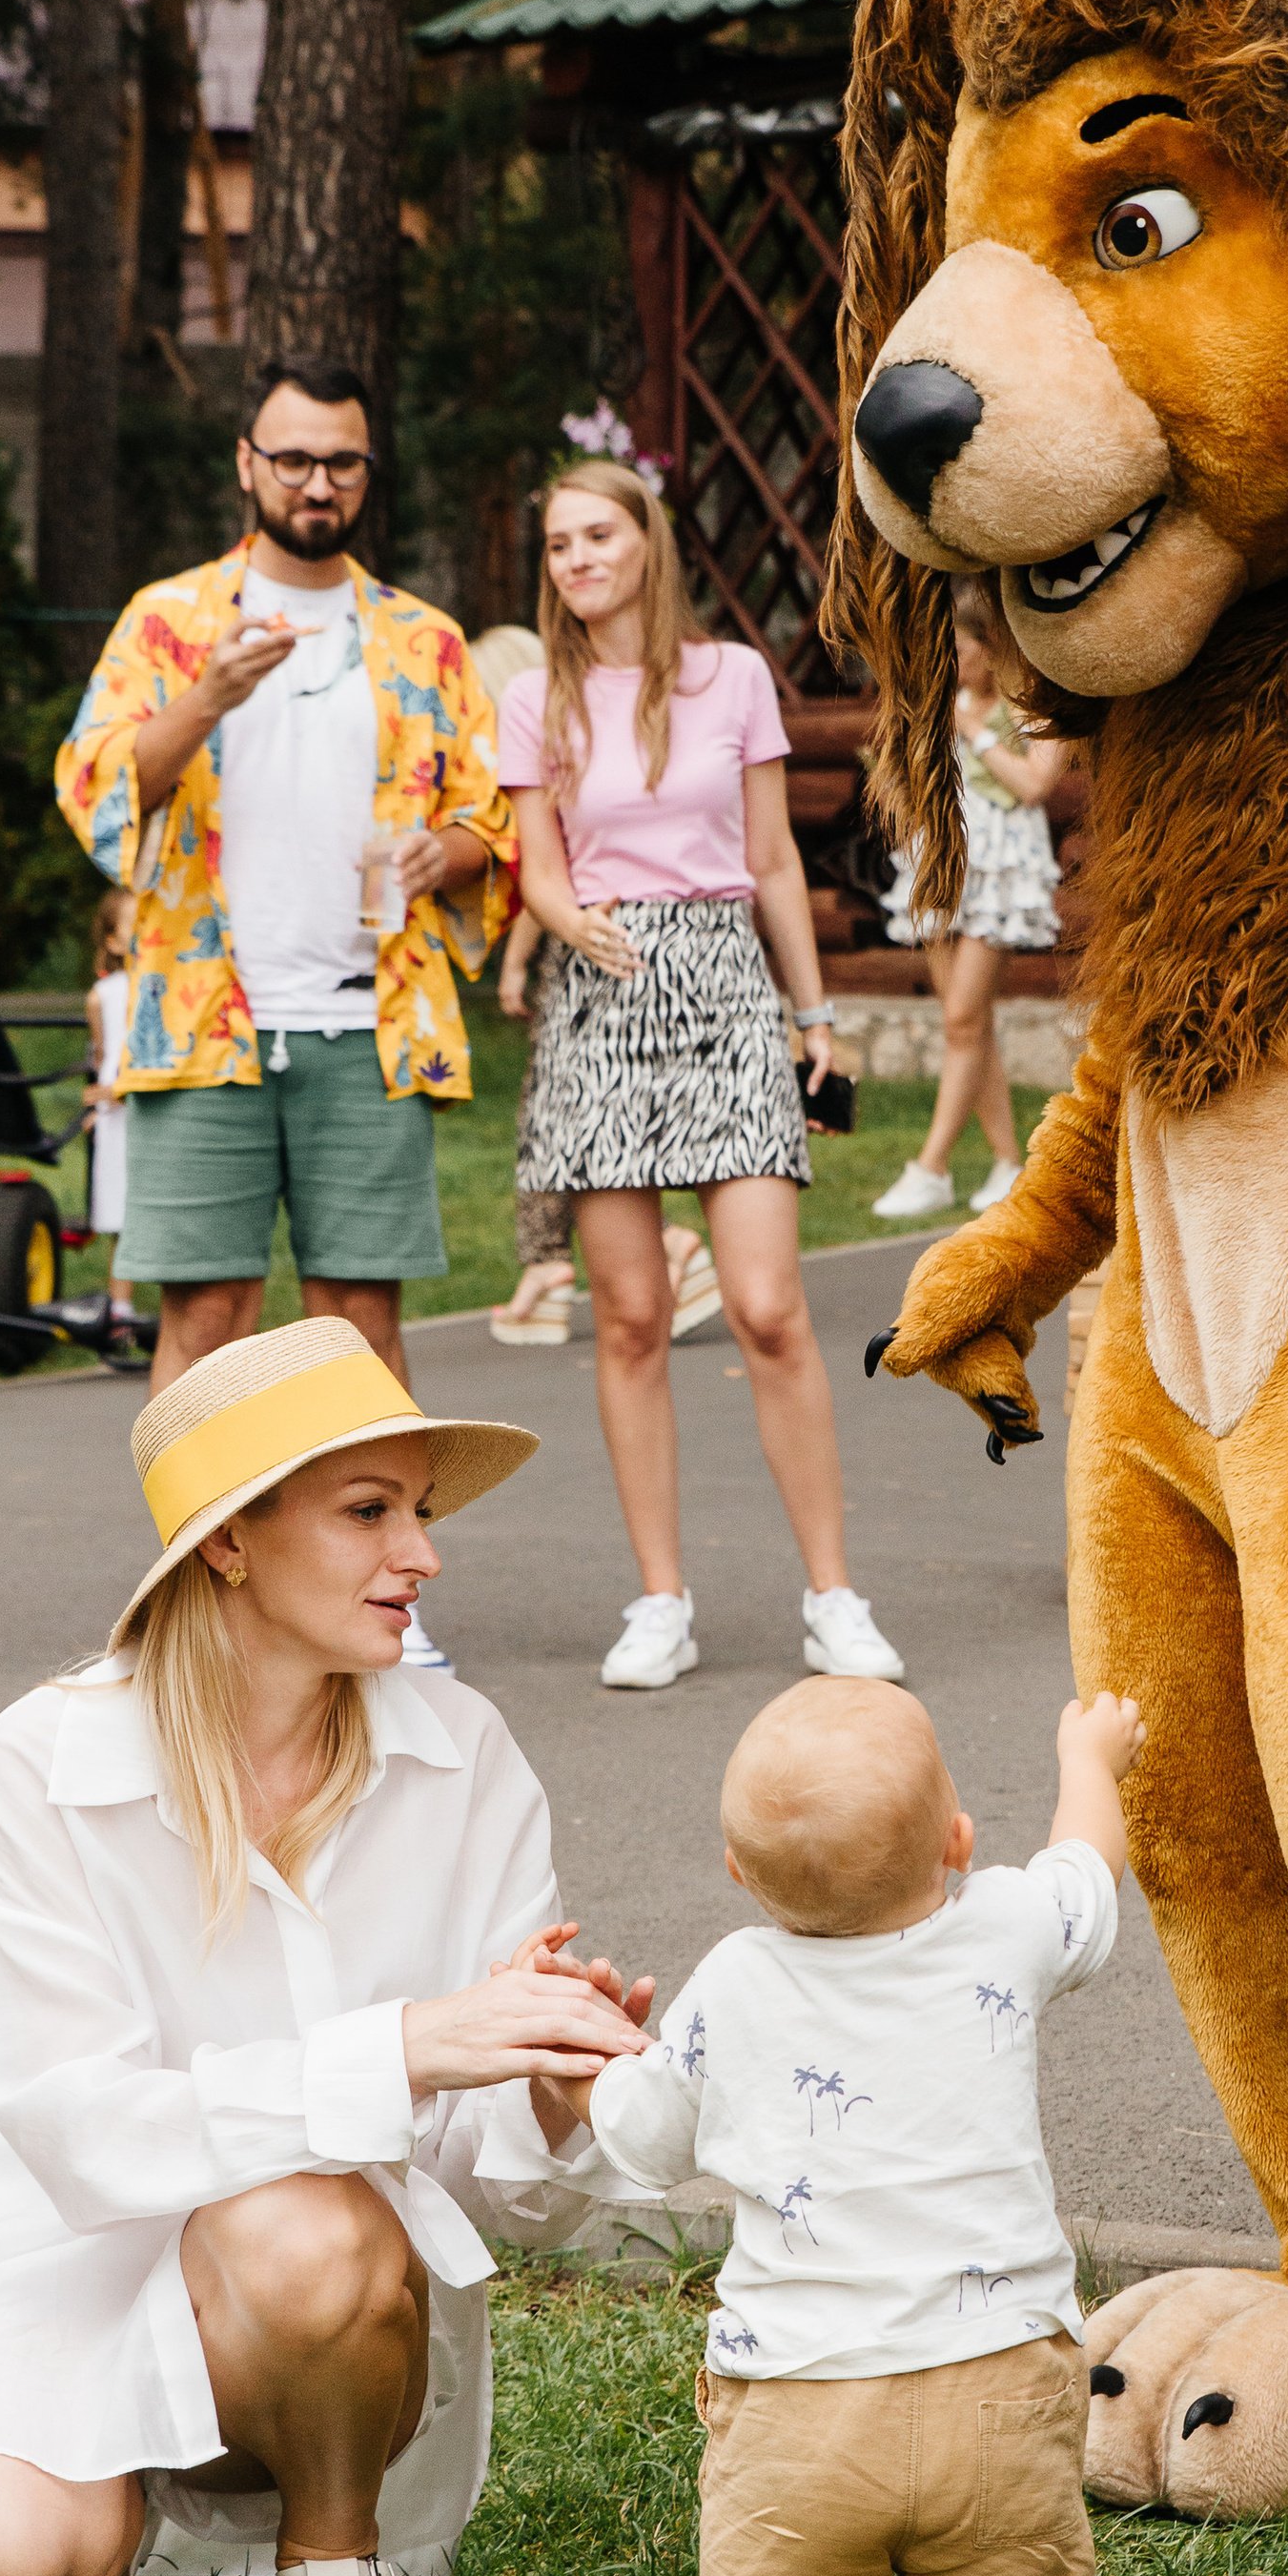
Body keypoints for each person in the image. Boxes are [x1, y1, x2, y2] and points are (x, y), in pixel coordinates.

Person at [0, 1317, 655, 2576]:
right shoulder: (44, 1757)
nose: (422, 1555)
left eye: (417, 1510)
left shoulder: (460, 1746)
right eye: (370, 1512)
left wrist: (547, 2096)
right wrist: (408, 2045)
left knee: (310, 2215)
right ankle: (96, 2564)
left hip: (320, 2306)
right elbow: (75, 2127)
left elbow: (508, 2206)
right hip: (66, 2258)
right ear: (230, 1542)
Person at [528, 1672, 1136, 2576]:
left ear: (739, 1872)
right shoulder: (1009, 1925)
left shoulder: (735, 1982)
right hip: (1001, 2386)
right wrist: (1092, 1755)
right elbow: (1088, 1876)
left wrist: (590, 2040)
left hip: (800, 2409)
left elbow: (638, 2141)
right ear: (960, 1845)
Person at [56, 355, 515, 1670]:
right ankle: (177, 1614)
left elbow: (493, 815)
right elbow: (93, 790)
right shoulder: (169, 623)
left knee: (360, 1325)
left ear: (370, 474)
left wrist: (456, 856)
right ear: (247, 466)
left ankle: (387, 1609)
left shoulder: (421, 637)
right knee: (199, 1320)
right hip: (206, 1019)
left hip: (368, 1016)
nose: (319, 482)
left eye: (344, 462)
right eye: (295, 458)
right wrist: (207, 698)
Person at [494, 459, 903, 1691]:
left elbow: (775, 858)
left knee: (769, 1308)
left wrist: (815, 1014)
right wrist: (567, 925)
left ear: (646, 541)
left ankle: (835, 1596)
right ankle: (659, 1599)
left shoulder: (731, 678)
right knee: (626, 1320)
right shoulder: (536, 699)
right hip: (605, 990)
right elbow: (538, 863)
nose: (576, 560)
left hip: (726, 983)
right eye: (559, 544)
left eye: (596, 535)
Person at [472, 623, 722, 1354]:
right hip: (588, 946)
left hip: (596, 954)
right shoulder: (576, 747)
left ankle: (662, 1247)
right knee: (565, 1118)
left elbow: (552, 876)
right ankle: (549, 1268)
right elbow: (545, 879)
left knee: (577, 1123)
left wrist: (521, 959)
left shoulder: (560, 750)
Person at [870, 583, 1070, 1223]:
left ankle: (930, 1168)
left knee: (961, 1017)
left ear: (990, 647)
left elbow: (1036, 785)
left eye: (959, 648)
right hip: (941, 861)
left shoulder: (1030, 704)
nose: (950, 660)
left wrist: (978, 734)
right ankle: (1010, 1160)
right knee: (969, 1023)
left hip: (1002, 869)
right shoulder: (941, 699)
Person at [83, 886, 140, 1340]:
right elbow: (104, 1053)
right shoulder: (103, 995)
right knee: (120, 1213)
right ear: (114, 941)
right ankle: (121, 1308)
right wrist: (100, 1098)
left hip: (145, 1105)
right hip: (116, 1117)